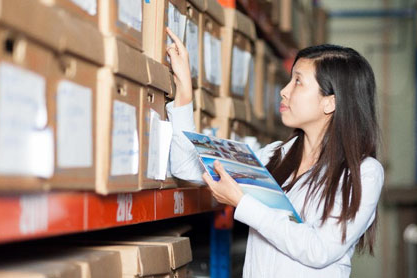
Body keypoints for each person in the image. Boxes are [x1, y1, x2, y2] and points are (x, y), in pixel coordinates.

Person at [165, 27, 384, 278]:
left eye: (298, 82)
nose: (284, 90)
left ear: (329, 102)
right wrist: (184, 91)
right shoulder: (275, 156)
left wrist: (243, 202)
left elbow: (319, 249)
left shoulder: (362, 173)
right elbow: (185, 166)